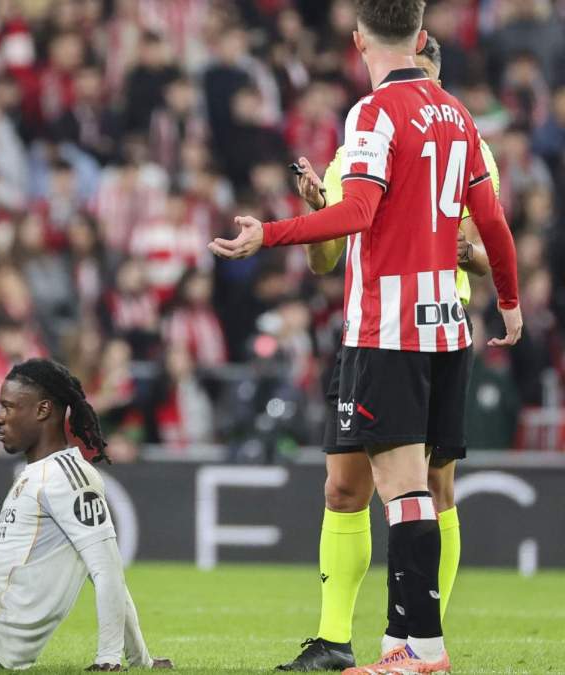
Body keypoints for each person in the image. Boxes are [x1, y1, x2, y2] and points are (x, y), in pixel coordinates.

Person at [209, 2, 522, 672]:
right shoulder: (460, 117)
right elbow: (491, 221)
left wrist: (269, 233)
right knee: (373, 488)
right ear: (419, 35)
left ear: (357, 40)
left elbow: (358, 212)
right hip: (440, 328)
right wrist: (511, 300)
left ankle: (421, 648)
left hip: (390, 328)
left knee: (408, 490)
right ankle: (391, 643)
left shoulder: (372, 115)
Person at [276, 36, 500, 672]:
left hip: (434, 332)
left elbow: (487, 254)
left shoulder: (466, 140)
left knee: (432, 488)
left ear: (436, 78)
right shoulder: (361, 140)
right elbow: (326, 259)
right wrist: (316, 210)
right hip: (369, 331)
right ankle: (334, 642)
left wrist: (460, 249)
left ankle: (419, 637)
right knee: (344, 487)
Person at [0, 358, 172, 671]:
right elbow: (109, 578)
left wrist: (108, 659)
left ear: (43, 410)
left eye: (9, 407)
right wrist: (140, 660)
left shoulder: (67, 478)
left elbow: (107, 572)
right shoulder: (38, 474)